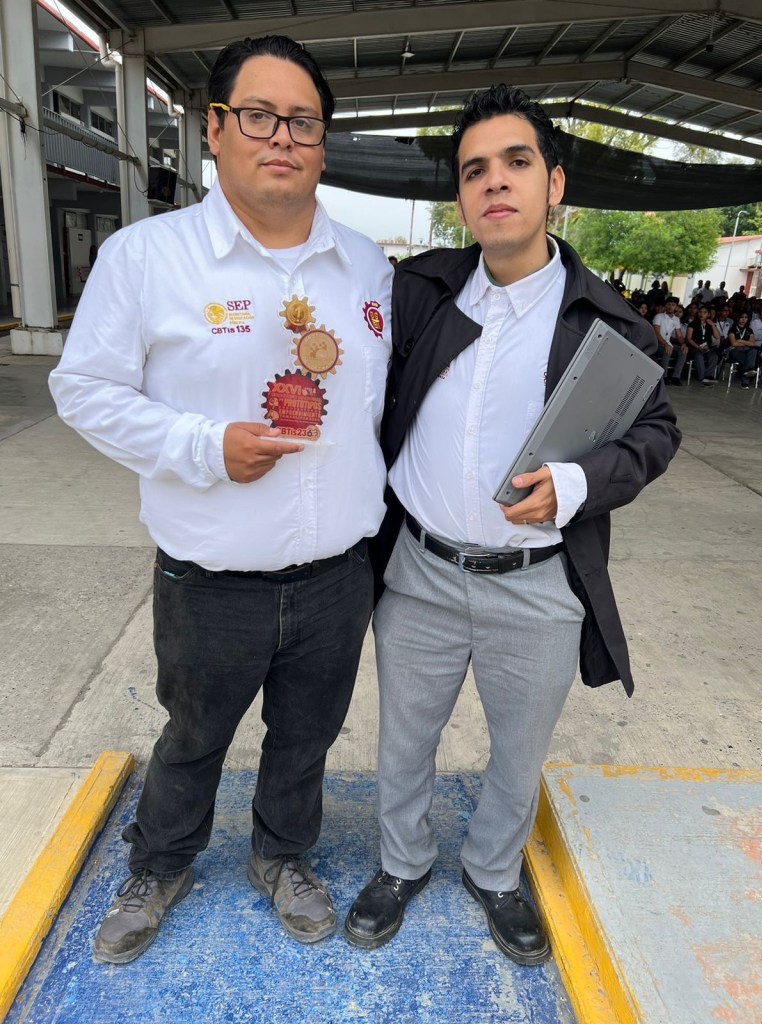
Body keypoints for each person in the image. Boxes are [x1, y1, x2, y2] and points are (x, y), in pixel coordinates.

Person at [49, 34, 392, 963]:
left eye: (303, 122)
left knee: (307, 736)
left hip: (338, 576)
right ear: (214, 128)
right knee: (194, 734)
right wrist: (202, 448)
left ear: (322, 142)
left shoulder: (367, 267)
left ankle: (282, 855)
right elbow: (83, 389)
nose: (282, 137)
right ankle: (160, 862)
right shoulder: (147, 257)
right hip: (210, 577)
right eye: (259, 115)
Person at [343, 85, 680, 964]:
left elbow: (658, 432)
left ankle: (494, 871)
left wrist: (576, 484)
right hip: (419, 572)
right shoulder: (419, 292)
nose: (495, 182)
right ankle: (401, 862)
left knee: (518, 750)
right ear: (461, 199)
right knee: (403, 740)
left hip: (536, 585)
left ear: (554, 184)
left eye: (517, 162)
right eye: (475, 171)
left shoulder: (609, 323)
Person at [652, 295, 688, 384]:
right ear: (665, 305)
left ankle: (676, 377)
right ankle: (664, 377)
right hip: (657, 344)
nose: (670, 307)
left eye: (673, 305)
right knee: (667, 350)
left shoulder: (676, 319)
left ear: (676, 307)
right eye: (669, 304)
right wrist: (665, 344)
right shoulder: (658, 316)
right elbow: (657, 333)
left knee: (683, 351)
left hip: (668, 343)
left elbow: (679, 335)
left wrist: (683, 344)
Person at [685, 305, 719, 385]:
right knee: (698, 356)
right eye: (700, 312)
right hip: (694, 347)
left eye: (704, 312)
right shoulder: (692, 324)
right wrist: (698, 347)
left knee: (714, 356)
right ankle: (702, 377)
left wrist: (713, 325)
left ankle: (709, 376)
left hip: (706, 347)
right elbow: (689, 338)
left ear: (708, 314)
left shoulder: (710, 325)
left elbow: (717, 336)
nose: (701, 314)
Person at [727, 311, 758, 388]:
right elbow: (733, 343)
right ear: (738, 318)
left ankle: (746, 375)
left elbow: (752, 343)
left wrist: (740, 340)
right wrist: (747, 343)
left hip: (746, 350)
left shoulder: (749, 330)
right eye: (742, 317)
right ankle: (745, 381)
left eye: (746, 317)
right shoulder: (732, 329)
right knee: (748, 361)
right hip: (734, 350)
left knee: (754, 351)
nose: (743, 319)